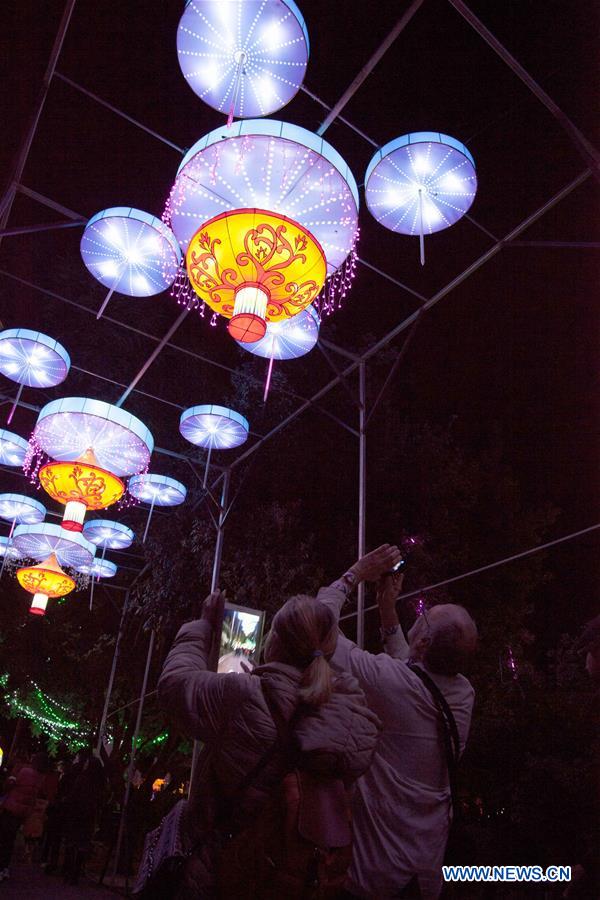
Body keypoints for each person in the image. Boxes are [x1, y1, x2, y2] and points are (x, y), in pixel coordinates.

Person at [156, 588, 381, 898]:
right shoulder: (353, 718)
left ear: (274, 642)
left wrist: (202, 625)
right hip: (293, 880)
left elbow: (174, 684)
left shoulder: (245, 696)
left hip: (221, 873)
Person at [317, 544, 478, 899]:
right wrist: (387, 609)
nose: (421, 613)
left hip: (372, 878)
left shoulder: (389, 681)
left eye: (426, 615)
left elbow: (318, 625)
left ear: (424, 640)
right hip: (422, 878)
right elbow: (414, 670)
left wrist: (355, 573)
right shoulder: (463, 695)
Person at [0, 751, 51, 881]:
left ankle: (2, 866)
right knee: (10, 839)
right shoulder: (40, 777)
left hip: (11, 806)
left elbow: (10, 784)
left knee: (4, 837)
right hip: (23, 811)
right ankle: (4, 867)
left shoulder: (24, 771)